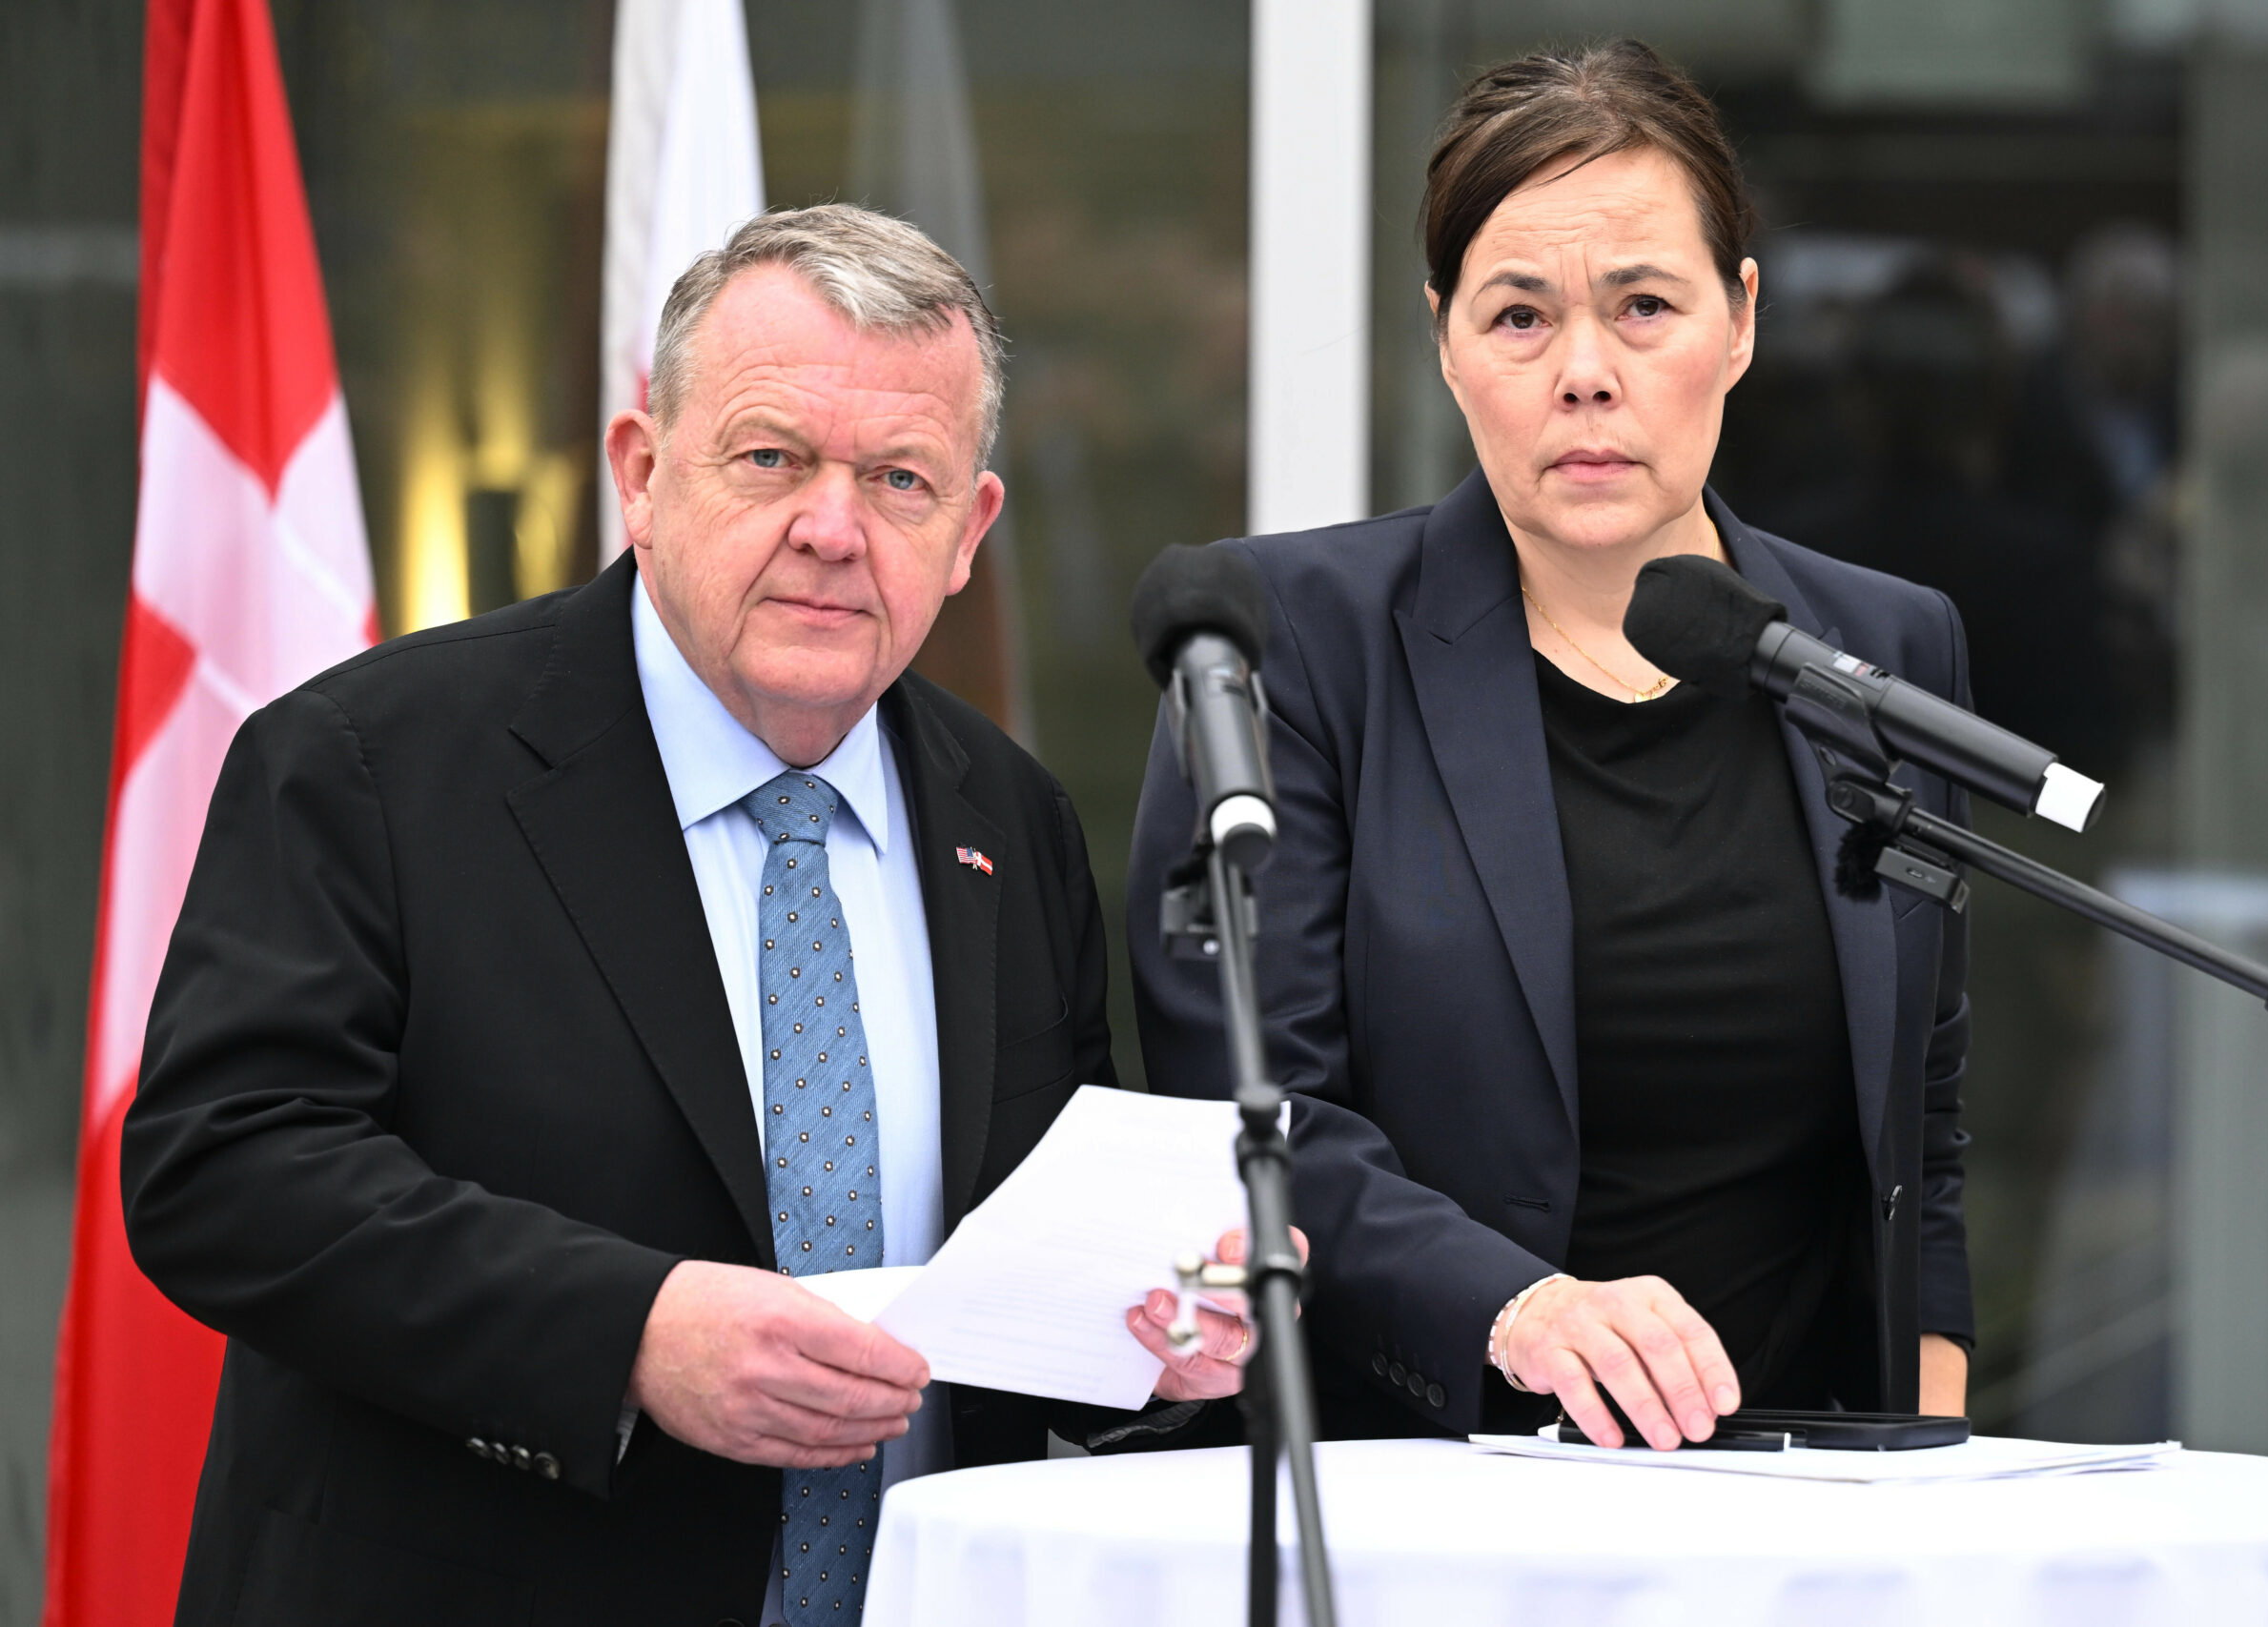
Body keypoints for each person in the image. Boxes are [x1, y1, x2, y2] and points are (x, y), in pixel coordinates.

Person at [122, 206, 1248, 1627]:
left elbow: (1020, 1262)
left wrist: (1154, 1340)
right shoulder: (372, 761)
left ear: (968, 532)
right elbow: (223, 1169)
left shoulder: (1007, 820)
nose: (832, 530)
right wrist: (629, 1334)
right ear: (644, 475)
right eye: (772, 458)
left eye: (898, 480)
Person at [1131, 41, 1973, 1456]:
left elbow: (1921, 1125)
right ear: (1445, 339)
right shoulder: (1291, 640)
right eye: (1520, 317)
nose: (1586, 374)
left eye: (1645, 306)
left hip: (1815, 1503)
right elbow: (1257, 1115)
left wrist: (1935, 1456)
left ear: (1741, 319)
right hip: (1423, 1490)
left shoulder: (1882, 647)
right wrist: (1515, 1309)